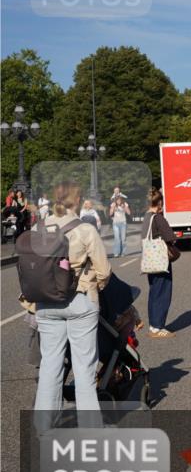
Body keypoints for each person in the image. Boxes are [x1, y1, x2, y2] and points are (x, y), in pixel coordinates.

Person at [32, 181, 111, 431]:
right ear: (77, 201)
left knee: (50, 366)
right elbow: (104, 270)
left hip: (46, 302)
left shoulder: (38, 227)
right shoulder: (85, 229)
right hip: (79, 299)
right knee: (84, 369)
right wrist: (95, 286)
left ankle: (44, 428)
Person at [144, 189, 180, 338]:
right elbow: (170, 237)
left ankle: (153, 325)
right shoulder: (158, 218)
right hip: (160, 260)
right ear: (159, 203)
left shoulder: (145, 218)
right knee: (163, 292)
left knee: (154, 292)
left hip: (149, 260)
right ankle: (158, 326)